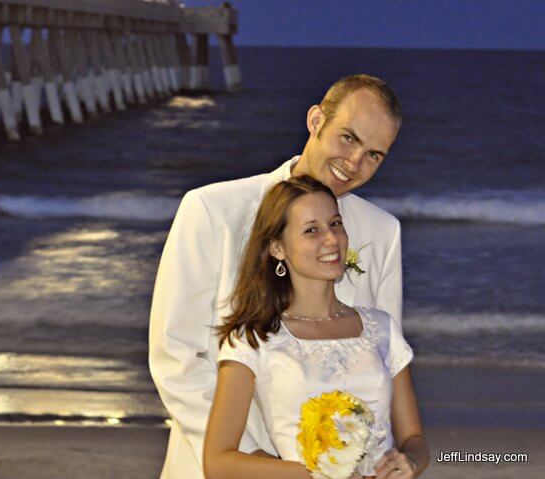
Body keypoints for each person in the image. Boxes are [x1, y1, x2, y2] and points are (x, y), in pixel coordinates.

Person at [150, 74, 404, 479]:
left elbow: (381, 368)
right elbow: (175, 357)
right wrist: (259, 462)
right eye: (348, 139)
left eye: (375, 154)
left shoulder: (381, 232)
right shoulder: (212, 210)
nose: (354, 164)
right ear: (316, 120)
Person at [202, 175, 429, 479]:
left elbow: (414, 440)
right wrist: (318, 475)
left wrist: (410, 462)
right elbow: (218, 462)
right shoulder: (253, 339)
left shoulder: (381, 327)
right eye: (311, 230)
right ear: (277, 248)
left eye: (335, 224)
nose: (332, 239)